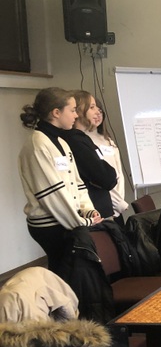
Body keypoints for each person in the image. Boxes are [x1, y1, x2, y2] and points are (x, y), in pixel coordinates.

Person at [18, 87, 101, 269]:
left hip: (68, 220)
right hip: (50, 225)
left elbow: (77, 183)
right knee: (66, 272)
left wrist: (88, 210)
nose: (76, 115)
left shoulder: (62, 142)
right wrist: (81, 222)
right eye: (72, 110)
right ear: (56, 113)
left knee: (74, 272)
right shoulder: (38, 145)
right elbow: (52, 194)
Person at [61, 91, 118, 220]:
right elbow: (106, 177)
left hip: (98, 210)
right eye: (92, 107)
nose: (97, 111)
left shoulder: (82, 138)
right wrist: (108, 173)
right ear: (79, 112)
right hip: (94, 212)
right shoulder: (75, 140)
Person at [87, 105, 129, 220]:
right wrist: (118, 203)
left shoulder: (107, 139)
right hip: (105, 205)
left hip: (119, 204)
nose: (98, 114)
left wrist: (120, 199)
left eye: (100, 110)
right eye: (92, 108)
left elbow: (119, 173)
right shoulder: (85, 141)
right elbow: (100, 177)